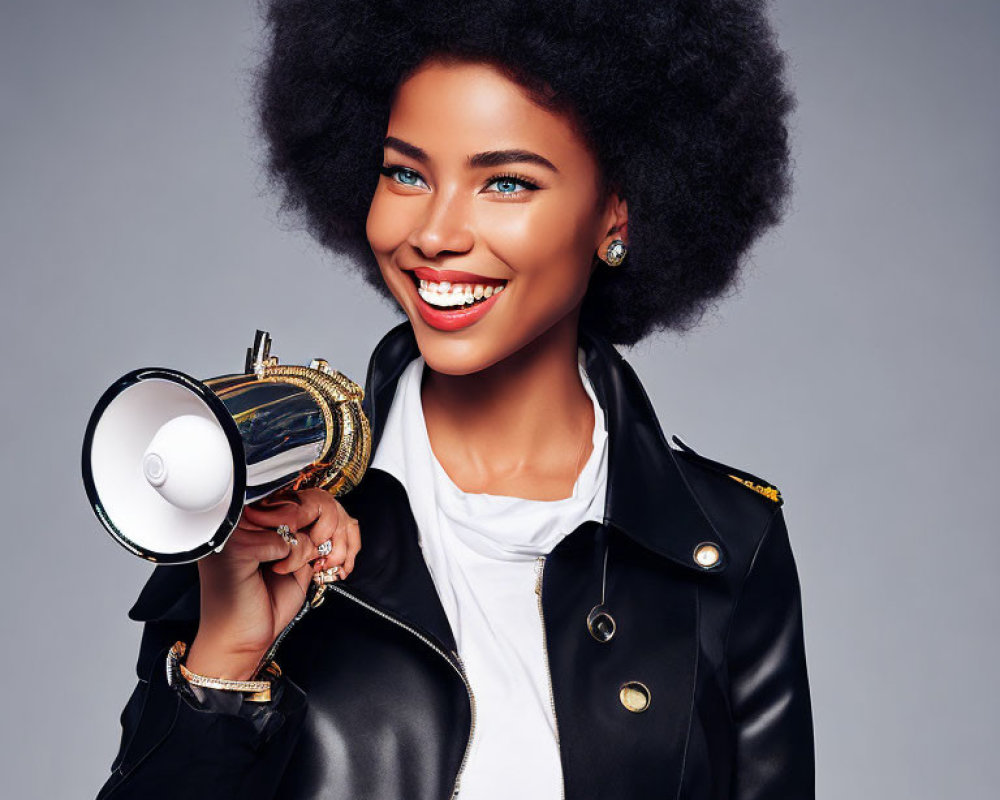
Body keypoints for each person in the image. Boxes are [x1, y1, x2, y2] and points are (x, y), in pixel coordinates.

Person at [96, 1, 813, 798]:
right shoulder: (255, 513)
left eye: (505, 181)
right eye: (406, 172)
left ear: (620, 208)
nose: (435, 232)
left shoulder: (727, 549)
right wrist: (226, 663)